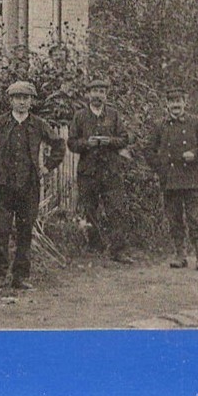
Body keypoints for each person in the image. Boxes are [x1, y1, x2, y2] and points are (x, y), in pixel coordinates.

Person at [0, 81, 65, 291]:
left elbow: (59, 145)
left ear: (31, 101)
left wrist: (48, 166)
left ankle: (20, 277)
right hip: (3, 186)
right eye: (17, 98)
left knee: (25, 231)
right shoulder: (1, 123)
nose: (22, 102)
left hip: (29, 186)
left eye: (26, 98)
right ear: (11, 100)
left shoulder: (38, 125)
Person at [145, 86, 198, 270]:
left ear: (185, 102)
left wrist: (195, 153)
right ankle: (180, 254)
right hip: (170, 179)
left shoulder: (196, 122)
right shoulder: (160, 126)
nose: (176, 105)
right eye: (172, 101)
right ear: (167, 104)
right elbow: (148, 150)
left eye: (179, 101)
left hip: (192, 178)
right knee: (174, 218)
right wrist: (160, 167)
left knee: (195, 219)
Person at [66, 76, 134, 263]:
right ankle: (95, 246)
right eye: (94, 91)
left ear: (106, 95)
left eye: (102, 92)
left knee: (116, 209)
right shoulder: (79, 116)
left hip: (111, 171)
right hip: (88, 172)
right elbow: (71, 143)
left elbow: (124, 139)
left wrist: (110, 141)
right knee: (90, 209)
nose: (98, 95)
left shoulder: (114, 115)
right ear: (88, 95)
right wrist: (86, 143)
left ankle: (118, 250)